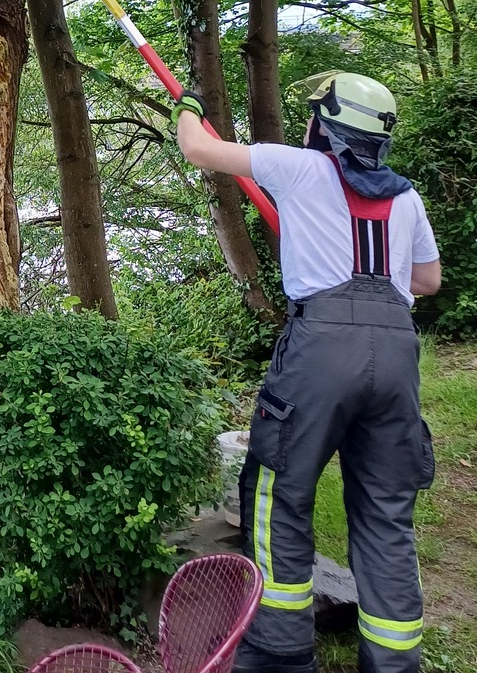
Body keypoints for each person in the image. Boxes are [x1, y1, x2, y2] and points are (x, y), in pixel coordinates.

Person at [172, 72, 441, 673]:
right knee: (385, 507)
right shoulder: (407, 198)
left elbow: (198, 148)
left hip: (321, 347)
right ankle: (395, 662)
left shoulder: (297, 167)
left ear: (328, 126)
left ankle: (277, 651)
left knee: (278, 493)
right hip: (397, 351)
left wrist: (191, 102)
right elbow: (427, 281)